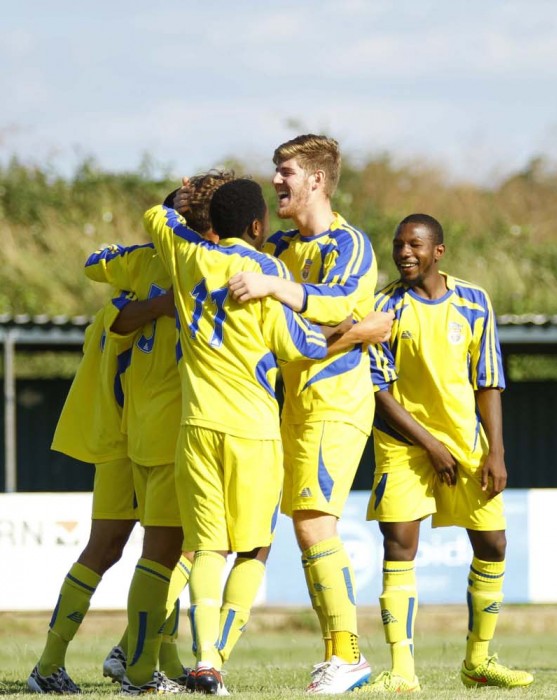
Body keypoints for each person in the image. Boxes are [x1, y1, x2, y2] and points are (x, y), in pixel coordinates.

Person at [144, 177, 384, 695]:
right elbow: (300, 346)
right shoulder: (267, 269)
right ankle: (341, 654)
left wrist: (176, 203)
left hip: (196, 425)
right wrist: (357, 333)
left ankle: (206, 660)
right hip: (253, 430)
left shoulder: (186, 256)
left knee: (206, 549)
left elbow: (156, 220)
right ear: (257, 227)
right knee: (253, 550)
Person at [227, 134, 379, 694]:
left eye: (285, 171)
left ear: (316, 179)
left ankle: (348, 656)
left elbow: (339, 304)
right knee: (286, 527)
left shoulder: (350, 243)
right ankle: (207, 656)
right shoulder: (282, 247)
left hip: (334, 404)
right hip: (285, 405)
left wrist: (274, 286)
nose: (276, 181)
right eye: (275, 171)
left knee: (315, 522)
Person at [363, 213, 534, 692]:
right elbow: (378, 390)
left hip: (465, 443)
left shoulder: (475, 301)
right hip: (404, 444)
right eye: (398, 245)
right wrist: (430, 444)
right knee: (399, 544)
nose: (403, 253)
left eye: (413, 245)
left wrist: (495, 451)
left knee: (493, 544)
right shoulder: (384, 307)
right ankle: (401, 671)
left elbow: (488, 379)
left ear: (438, 251)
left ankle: (478, 663)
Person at [83, 171, 237, 694]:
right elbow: (98, 266)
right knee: (174, 553)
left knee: (170, 552)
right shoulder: (203, 267)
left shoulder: (155, 263)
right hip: (183, 432)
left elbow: (94, 265)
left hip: (151, 433)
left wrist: (140, 298)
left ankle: (146, 659)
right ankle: (139, 664)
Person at [26, 292, 138, 694]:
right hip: (143, 443)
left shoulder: (121, 302)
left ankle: (55, 663)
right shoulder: (150, 300)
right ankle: (134, 659)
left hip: (124, 443)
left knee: (107, 550)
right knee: (178, 549)